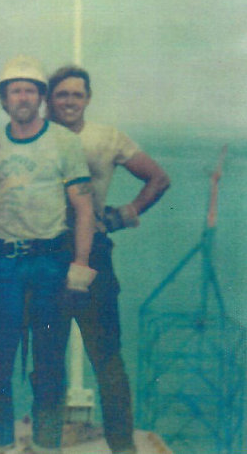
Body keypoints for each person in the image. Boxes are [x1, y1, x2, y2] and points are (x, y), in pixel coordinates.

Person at [0, 55, 96, 454]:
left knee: (47, 366)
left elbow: (83, 207)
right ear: (3, 99)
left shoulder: (64, 143)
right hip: (2, 263)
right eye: (15, 90)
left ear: (41, 98)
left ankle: (45, 446)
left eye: (30, 90)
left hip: (50, 264)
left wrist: (80, 262)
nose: (22, 97)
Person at [46, 65, 171, 454]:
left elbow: (158, 179)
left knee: (108, 361)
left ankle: (122, 448)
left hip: (95, 255)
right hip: (45, 256)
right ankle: (46, 444)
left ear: (88, 99)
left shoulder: (107, 138)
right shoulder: (37, 138)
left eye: (76, 95)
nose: (69, 101)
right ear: (50, 98)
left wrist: (122, 215)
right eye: (62, 94)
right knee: (47, 359)